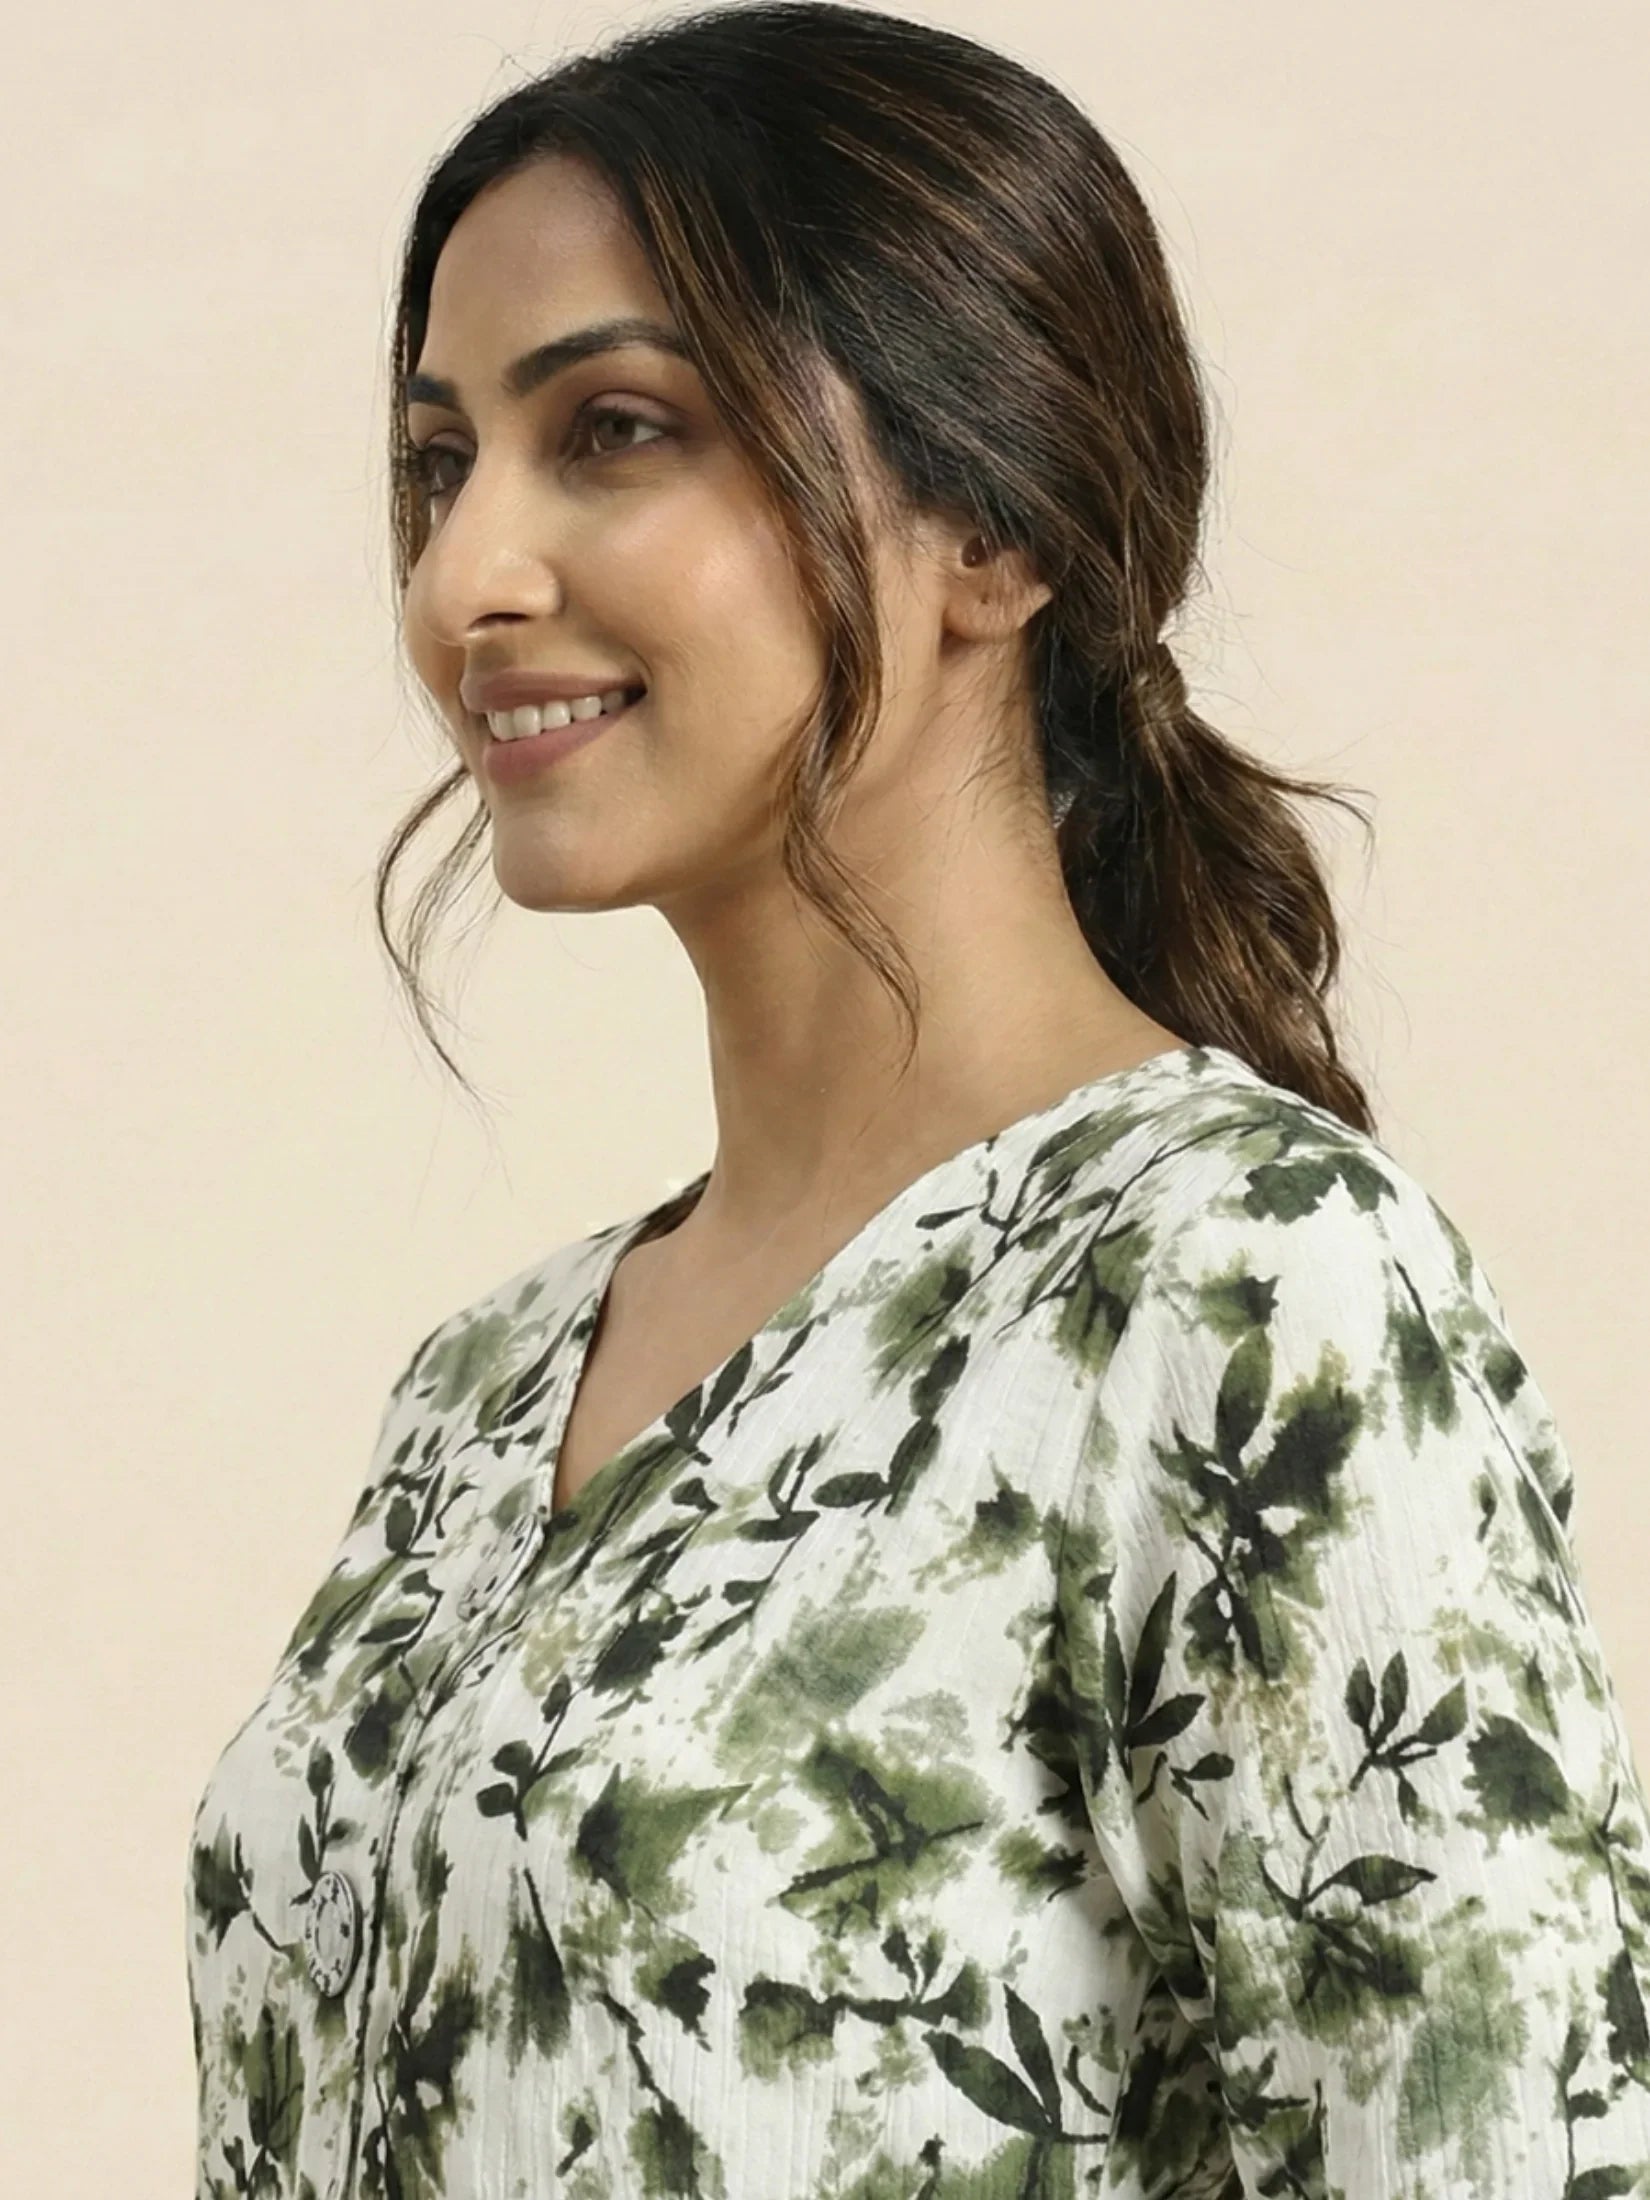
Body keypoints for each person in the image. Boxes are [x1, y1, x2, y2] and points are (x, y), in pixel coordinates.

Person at [184, 6, 1650, 2195]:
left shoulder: (1236, 1289)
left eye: (611, 429)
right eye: (436, 461)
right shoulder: (475, 1396)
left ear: (993, 523)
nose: (464, 575)